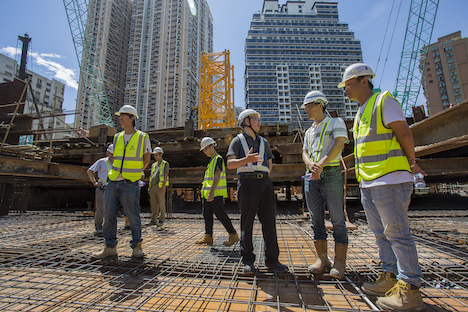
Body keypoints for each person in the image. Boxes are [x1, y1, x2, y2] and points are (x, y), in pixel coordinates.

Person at [340, 63, 427, 311]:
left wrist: (412, 163)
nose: (345, 89)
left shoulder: (383, 101)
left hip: (390, 179)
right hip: (370, 182)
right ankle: (390, 277)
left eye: (348, 84)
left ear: (364, 81)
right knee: (381, 235)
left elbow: (404, 134)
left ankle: (410, 289)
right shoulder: (360, 112)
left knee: (398, 234)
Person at [227, 109, 288, 275]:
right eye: (256, 119)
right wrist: (246, 160)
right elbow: (230, 164)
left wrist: (264, 176)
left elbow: (269, 162)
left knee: (269, 223)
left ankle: (272, 260)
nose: (260, 123)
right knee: (247, 224)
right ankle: (248, 260)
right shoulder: (237, 141)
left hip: (265, 184)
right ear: (246, 121)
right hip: (247, 184)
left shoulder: (264, 142)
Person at [93, 105, 152, 259]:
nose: (120, 118)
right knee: (109, 216)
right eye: (120, 115)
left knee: (133, 217)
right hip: (113, 181)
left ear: (132, 118)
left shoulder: (142, 137)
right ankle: (110, 247)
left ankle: (137, 247)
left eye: (124, 115)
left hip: (130, 183)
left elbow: (146, 158)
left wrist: (136, 172)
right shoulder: (117, 137)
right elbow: (114, 158)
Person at [301, 91, 348, 279]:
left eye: (309, 106)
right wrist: (310, 164)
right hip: (311, 175)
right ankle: (323, 260)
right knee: (316, 219)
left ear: (320, 104)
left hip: (331, 173)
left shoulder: (336, 123)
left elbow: (339, 144)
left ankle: (340, 263)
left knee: (337, 219)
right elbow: (304, 151)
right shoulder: (308, 131)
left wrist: (321, 164)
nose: (306, 110)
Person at [196, 137, 239, 246]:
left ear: (211, 146)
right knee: (207, 214)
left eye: (206, 149)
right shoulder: (211, 161)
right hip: (208, 194)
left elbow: (218, 175)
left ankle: (233, 234)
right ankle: (208, 236)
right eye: (204, 150)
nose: (205, 152)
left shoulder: (218, 159)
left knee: (220, 214)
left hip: (215, 194)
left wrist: (212, 191)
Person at [87, 144, 114, 236]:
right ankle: (98, 226)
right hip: (102, 188)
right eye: (111, 153)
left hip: (113, 189)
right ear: (107, 153)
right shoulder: (102, 162)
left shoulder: (118, 163)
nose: (113, 156)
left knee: (111, 209)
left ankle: (109, 227)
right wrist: (94, 182)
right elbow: (89, 171)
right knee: (100, 208)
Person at [148, 147, 169, 226]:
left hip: (160, 186)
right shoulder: (153, 165)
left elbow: (166, 175)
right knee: (153, 204)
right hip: (153, 186)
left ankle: (161, 219)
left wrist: (163, 186)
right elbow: (151, 175)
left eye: (156, 155)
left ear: (161, 154)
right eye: (154, 155)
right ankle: (153, 220)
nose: (155, 156)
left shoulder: (165, 164)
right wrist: (149, 187)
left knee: (161, 203)